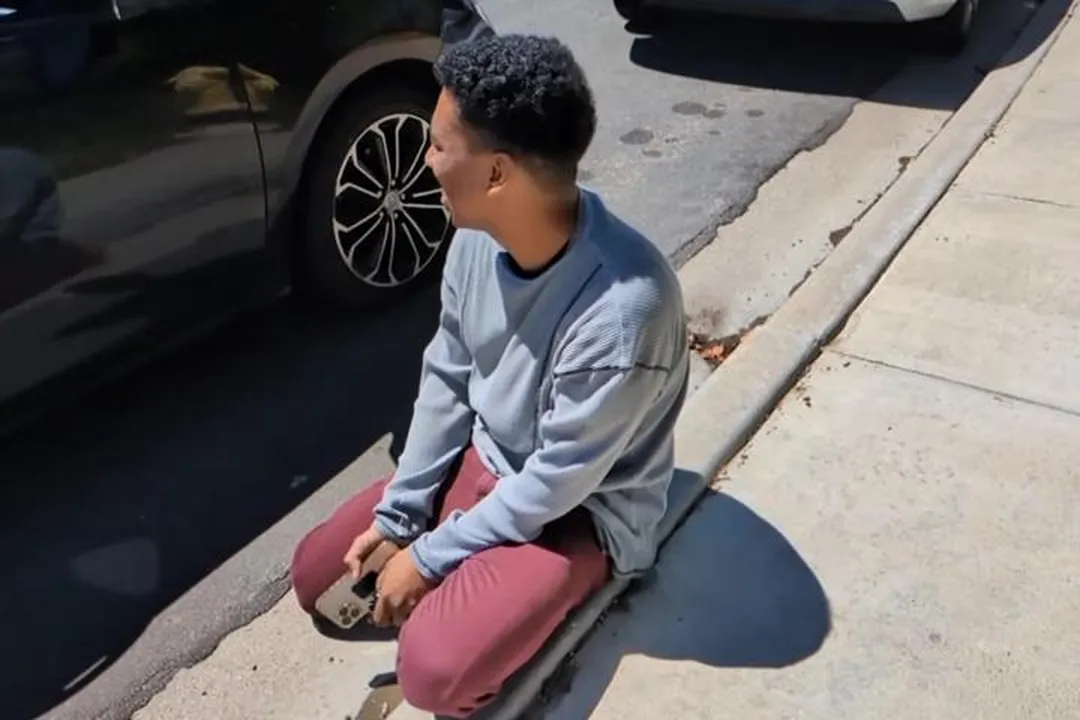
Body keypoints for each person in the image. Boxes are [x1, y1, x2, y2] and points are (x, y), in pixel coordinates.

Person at [289, 33, 689, 718]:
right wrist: (403, 511)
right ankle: (474, 590)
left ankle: (544, 603)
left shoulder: (625, 310)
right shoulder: (477, 235)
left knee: (434, 674)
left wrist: (430, 557)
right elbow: (448, 372)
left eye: (439, 145)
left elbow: (555, 483)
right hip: (488, 462)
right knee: (316, 576)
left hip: (578, 513)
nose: (426, 160)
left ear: (497, 174)